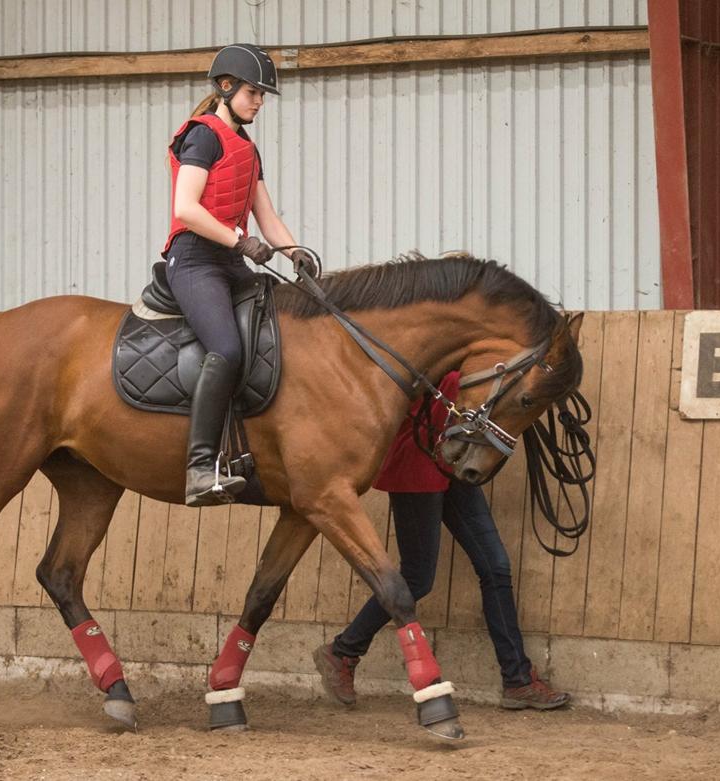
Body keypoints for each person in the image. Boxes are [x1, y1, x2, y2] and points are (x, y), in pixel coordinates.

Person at [313, 371, 570, 710]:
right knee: (418, 577)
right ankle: (343, 651)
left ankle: (518, 680)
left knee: (496, 567)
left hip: (457, 460)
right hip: (416, 463)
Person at [164, 44, 317, 507]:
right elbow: (185, 208)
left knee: (278, 334)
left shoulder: (248, 148)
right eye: (254, 92)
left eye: (263, 95)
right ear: (226, 87)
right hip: (193, 260)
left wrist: (295, 252)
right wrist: (240, 241)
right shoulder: (203, 137)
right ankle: (198, 466)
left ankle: (250, 452)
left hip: (230, 262)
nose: (259, 102)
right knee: (227, 349)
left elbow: (266, 216)